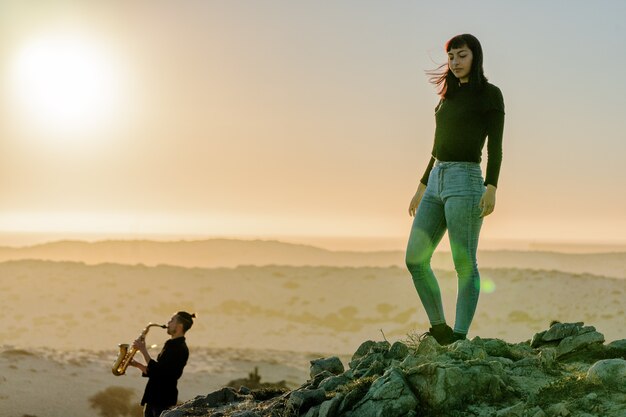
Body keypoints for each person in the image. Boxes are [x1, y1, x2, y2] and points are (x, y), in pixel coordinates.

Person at [405, 34, 505, 345]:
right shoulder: (446, 96)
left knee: (464, 264)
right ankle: (440, 330)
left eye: (462, 56)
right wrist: (422, 186)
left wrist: (491, 187)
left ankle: (459, 338)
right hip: (437, 178)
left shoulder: (490, 95)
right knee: (415, 259)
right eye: (451, 57)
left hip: (466, 180)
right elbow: (436, 148)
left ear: (475, 57)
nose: (455, 63)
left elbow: (496, 148)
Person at [130, 312, 196, 417]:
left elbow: (161, 373)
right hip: (154, 399)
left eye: (172, 320)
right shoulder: (170, 344)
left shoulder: (180, 348)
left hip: (162, 400)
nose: (168, 323)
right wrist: (136, 364)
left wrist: (143, 350)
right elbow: (157, 372)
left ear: (179, 326)